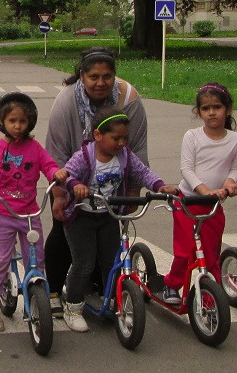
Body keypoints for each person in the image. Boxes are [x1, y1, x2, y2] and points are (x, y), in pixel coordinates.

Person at [44, 46, 150, 316]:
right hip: (74, 179)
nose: (100, 83)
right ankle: (54, 290)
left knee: (107, 242)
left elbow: (136, 147)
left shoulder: (129, 98)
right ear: (82, 75)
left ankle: (105, 290)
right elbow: (56, 151)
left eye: (107, 76)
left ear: (115, 76)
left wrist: (134, 193)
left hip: (112, 179)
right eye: (93, 77)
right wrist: (59, 194)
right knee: (64, 231)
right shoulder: (66, 101)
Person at [57, 107, 178, 332]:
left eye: (125, 138)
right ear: (98, 135)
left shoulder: (124, 155)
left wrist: (160, 185)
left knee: (111, 262)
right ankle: (72, 307)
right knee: (84, 264)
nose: (122, 143)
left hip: (109, 215)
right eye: (116, 138)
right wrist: (76, 186)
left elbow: (142, 173)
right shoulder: (85, 156)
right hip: (81, 216)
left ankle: (114, 301)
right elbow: (66, 175)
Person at [0, 93, 66, 332]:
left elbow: (48, 165)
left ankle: (38, 296)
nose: (17, 126)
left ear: (30, 122)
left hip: (31, 214)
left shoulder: (34, 148)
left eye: (22, 121)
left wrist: (56, 173)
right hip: (4, 214)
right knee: (2, 258)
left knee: (36, 258)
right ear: (2, 121)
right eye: (12, 120)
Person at [160, 83, 237, 304]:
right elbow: (186, 169)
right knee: (186, 251)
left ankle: (211, 294)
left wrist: (230, 182)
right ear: (199, 112)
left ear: (229, 109)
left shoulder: (235, 140)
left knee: (211, 252)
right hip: (188, 202)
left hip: (214, 205)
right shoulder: (193, 136)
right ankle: (172, 284)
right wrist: (205, 191)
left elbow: (234, 167)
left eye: (217, 107)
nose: (212, 112)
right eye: (206, 108)